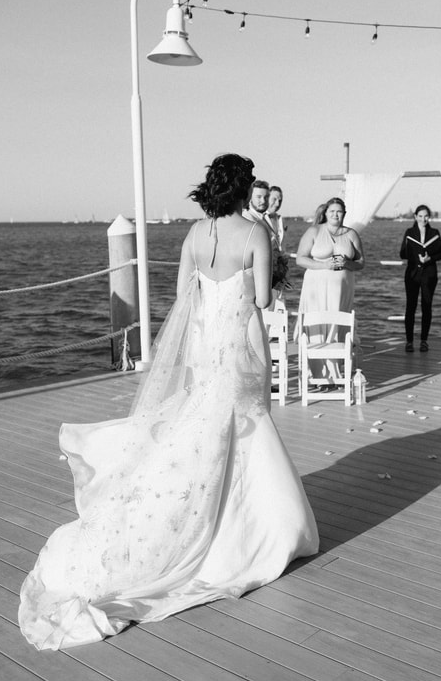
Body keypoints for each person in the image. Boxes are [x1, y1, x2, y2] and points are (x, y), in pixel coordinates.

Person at [18, 154, 319, 651]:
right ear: (246, 188)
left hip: (205, 344)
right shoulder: (256, 234)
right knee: (244, 429)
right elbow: (263, 301)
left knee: (204, 424)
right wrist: (273, 275)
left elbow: (185, 295)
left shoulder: (195, 235)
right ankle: (249, 533)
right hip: (241, 343)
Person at [296, 197, 364, 381]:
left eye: (339, 211)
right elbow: (300, 258)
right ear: (326, 213)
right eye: (332, 211)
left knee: (338, 326)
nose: (335, 214)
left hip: (342, 291)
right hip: (316, 289)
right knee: (318, 326)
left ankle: (336, 373)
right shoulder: (314, 231)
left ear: (344, 213)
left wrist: (348, 263)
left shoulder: (351, 234)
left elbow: (361, 263)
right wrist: (325, 264)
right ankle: (317, 375)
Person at [399, 204, 441, 353]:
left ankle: (424, 341)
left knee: (426, 306)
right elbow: (402, 254)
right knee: (410, 307)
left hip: (429, 274)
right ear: (415, 217)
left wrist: (429, 258)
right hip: (412, 274)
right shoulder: (409, 232)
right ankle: (409, 341)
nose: (423, 219)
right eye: (420, 216)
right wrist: (416, 255)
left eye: (426, 216)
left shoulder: (435, 232)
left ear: (428, 217)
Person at [266, 185, 285, 249]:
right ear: (267, 198)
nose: (277, 204)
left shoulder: (280, 220)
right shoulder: (258, 219)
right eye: (274, 199)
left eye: (280, 201)